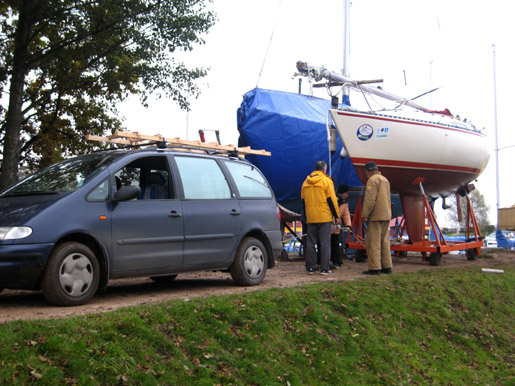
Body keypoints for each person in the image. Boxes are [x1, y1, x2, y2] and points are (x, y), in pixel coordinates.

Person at [301, 161, 340, 275]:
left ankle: (311, 267)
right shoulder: (327, 181)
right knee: (324, 243)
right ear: (324, 170)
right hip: (324, 216)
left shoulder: (305, 182)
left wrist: (306, 215)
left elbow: (303, 201)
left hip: (311, 216)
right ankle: (324, 268)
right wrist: (336, 216)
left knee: (311, 242)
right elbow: (331, 200)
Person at [361, 162, 393, 275]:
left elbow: (370, 200)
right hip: (386, 215)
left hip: (375, 216)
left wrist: (364, 214)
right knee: (384, 242)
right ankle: (387, 266)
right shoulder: (385, 180)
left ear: (367, 170)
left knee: (373, 242)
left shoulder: (372, 180)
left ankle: (374, 268)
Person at [330, 184, 352, 267]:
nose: (347, 195)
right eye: (346, 193)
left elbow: (346, 215)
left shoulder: (344, 203)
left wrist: (348, 225)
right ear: (340, 193)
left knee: (336, 243)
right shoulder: (332, 199)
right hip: (329, 225)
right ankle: (326, 260)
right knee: (327, 244)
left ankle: (336, 261)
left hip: (337, 227)